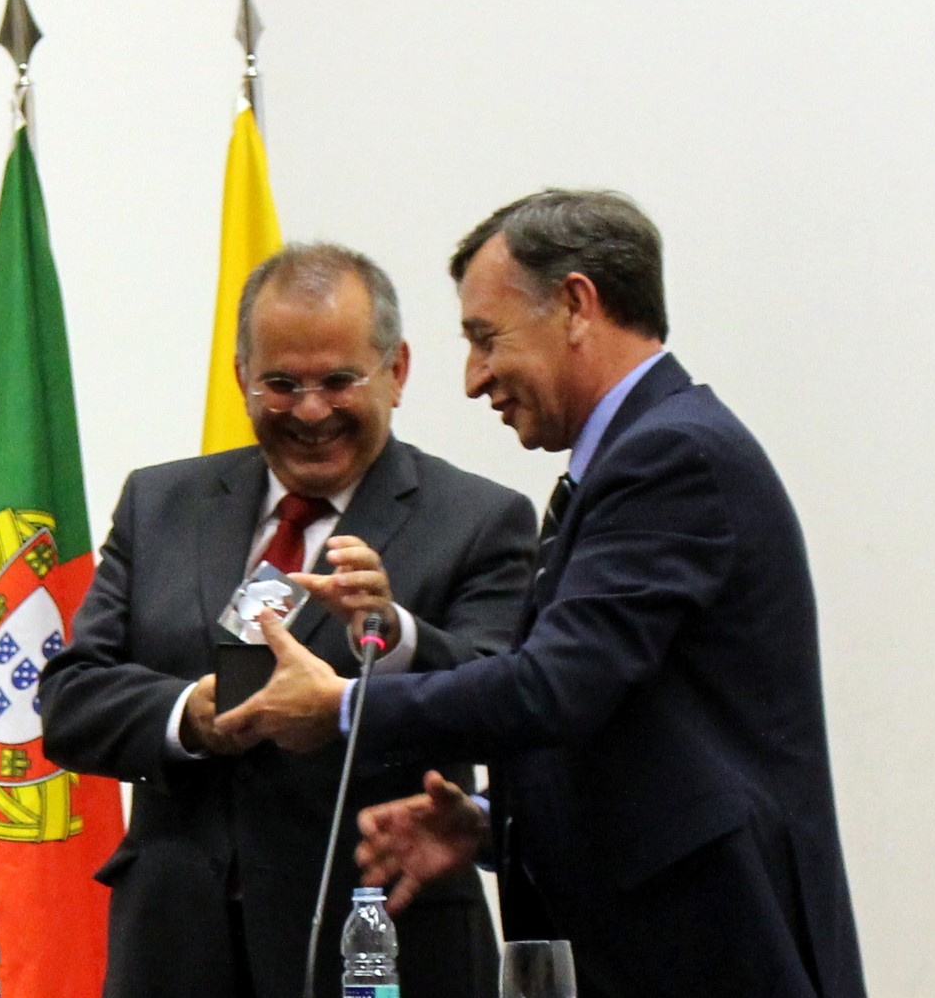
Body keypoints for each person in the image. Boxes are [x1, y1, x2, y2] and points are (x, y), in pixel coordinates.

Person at [217, 191, 867, 997]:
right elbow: (625, 733)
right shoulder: (640, 456)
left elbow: (554, 685)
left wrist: (345, 705)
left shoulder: (672, 457)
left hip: (709, 952)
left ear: (576, 305)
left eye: (486, 337)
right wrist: (489, 823)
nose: (474, 377)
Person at [38, 242, 536, 998]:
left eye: (338, 381)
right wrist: (188, 715)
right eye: (281, 384)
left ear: (396, 371)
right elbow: (71, 700)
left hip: (381, 944)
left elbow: (503, 702)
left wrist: (393, 637)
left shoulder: (479, 519)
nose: (310, 411)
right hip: (175, 951)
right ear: (242, 376)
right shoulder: (160, 503)